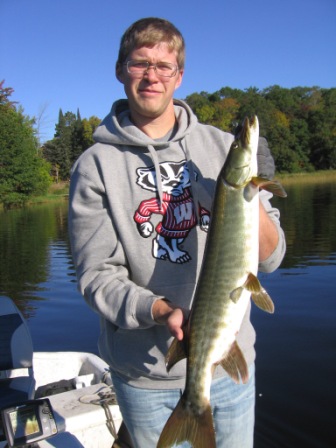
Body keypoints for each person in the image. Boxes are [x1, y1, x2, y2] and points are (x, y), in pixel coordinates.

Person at [68, 17, 286, 448]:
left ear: (179, 76)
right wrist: (158, 309)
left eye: (164, 66)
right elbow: (96, 277)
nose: (152, 75)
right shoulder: (94, 166)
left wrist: (250, 193)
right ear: (120, 70)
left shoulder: (221, 146)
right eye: (139, 63)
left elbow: (271, 259)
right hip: (144, 375)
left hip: (231, 366)